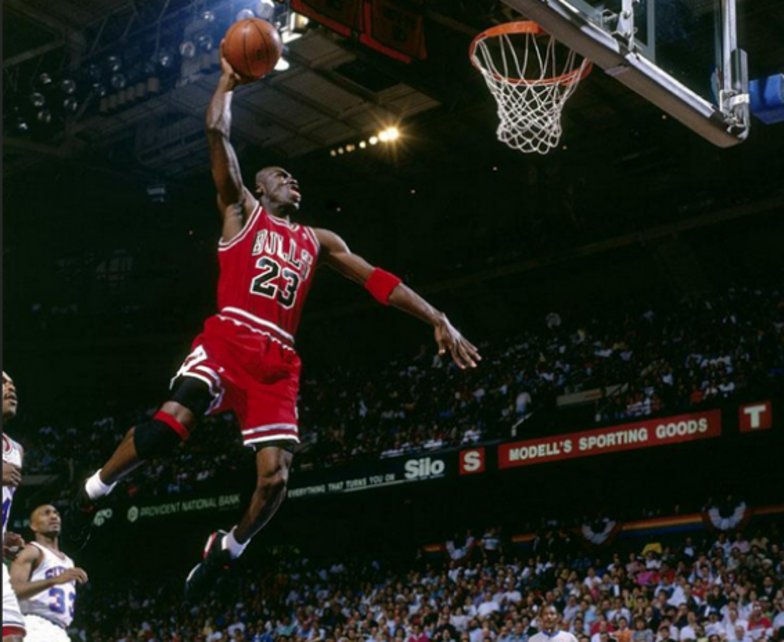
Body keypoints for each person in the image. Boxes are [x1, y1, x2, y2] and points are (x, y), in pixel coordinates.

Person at [64, 47, 482, 601]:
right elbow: (217, 134)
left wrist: (437, 315)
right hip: (229, 335)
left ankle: (228, 549)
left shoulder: (319, 240)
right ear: (259, 187)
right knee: (171, 425)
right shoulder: (241, 211)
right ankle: (92, 491)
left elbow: (378, 280)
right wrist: (227, 82)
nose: (291, 179)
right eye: (280, 175)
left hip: (277, 359)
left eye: (293, 176)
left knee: (276, 477)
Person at [9, 505, 88, 642]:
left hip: (60, 630)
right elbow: (13, 591)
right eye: (46, 513)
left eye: (56, 513)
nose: (53, 516)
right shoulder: (31, 551)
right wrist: (54, 580)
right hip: (35, 624)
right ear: (33, 526)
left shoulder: (69, 562)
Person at [2, 371, 27, 642]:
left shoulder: (16, 451)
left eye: (12, 384)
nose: (10, 388)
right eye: (2, 383)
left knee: (13, 635)